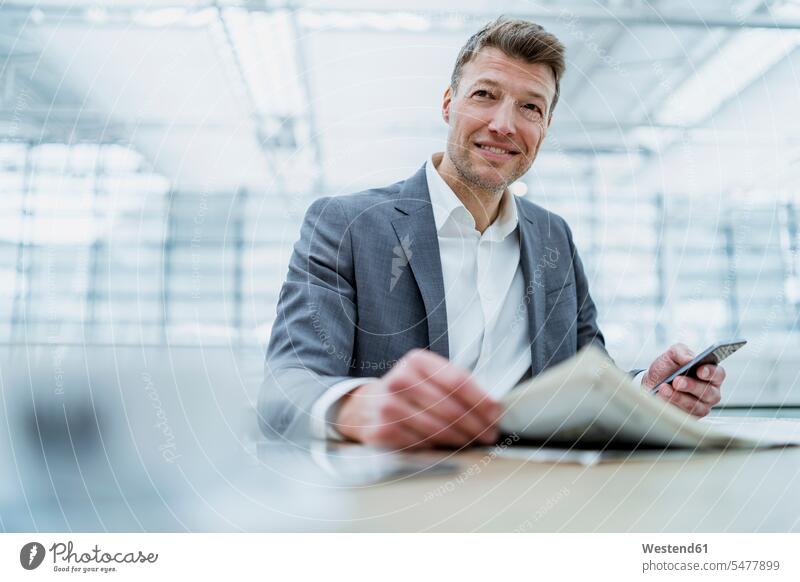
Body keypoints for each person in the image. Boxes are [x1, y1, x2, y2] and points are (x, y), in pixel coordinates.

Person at [259, 17, 725, 448]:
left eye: (530, 107)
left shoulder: (553, 238)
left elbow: (587, 380)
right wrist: (358, 407)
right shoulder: (347, 226)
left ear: (544, 127)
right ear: (448, 103)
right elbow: (288, 385)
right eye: (485, 94)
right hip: (401, 498)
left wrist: (647, 393)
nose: (504, 125)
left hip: (539, 494)